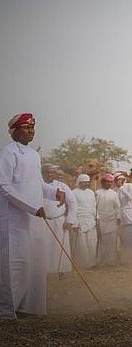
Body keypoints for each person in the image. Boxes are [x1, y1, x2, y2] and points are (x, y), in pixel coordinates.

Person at [0, 113, 57, 319]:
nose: (31, 131)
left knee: (35, 261)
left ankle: (29, 306)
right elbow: (4, 186)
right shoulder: (8, 152)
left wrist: (52, 192)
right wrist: (32, 207)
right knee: (16, 262)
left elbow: (36, 184)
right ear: (14, 131)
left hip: (34, 217)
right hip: (14, 218)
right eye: (26, 128)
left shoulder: (34, 154)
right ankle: (7, 309)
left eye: (32, 128)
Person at [42, 164, 74, 275]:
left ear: (55, 174)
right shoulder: (37, 185)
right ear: (42, 173)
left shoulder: (62, 186)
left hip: (59, 221)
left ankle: (62, 270)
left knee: (60, 245)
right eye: (47, 172)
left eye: (52, 172)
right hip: (42, 221)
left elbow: (72, 203)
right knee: (43, 246)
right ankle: (44, 271)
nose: (50, 174)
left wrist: (69, 220)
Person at [71, 174, 97, 268]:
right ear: (79, 182)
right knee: (81, 244)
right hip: (79, 219)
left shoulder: (91, 192)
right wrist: (74, 222)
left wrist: (95, 218)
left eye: (88, 182)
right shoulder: (73, 192)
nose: (87, 184)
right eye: (84, 182)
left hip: (90, 219)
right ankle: (81, 264)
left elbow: (94, 206)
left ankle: (91, 263)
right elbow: (72, 209)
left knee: (92, 242)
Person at [113, 172, 132, 266]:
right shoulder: (115, 190)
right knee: (124, 240)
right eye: (117, 180)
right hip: (121, 217)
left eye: (120, 180)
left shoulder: (128, 186)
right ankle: (125, 259)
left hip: (130, 215)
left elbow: (130, 197)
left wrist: (122, 188)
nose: (118, 182)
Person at [95, 174, 120, 267]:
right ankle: (100, 261)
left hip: (112, 220)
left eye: (110, 182)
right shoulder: (97, 193)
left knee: (111, 240)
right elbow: (95, 207)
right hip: (101, 220)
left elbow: (117, 206)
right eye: (107, 182)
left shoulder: (114, 194)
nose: (109, 184)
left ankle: (110, 261)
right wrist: (97, 217)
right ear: (103, 182)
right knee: (101, 241)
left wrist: (118, 217)